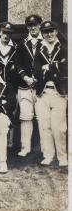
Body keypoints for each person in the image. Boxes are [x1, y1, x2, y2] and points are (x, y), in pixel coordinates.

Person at [33, 21, 68, 167]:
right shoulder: (39, 49)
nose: (49, 34)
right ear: (43, 34)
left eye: (51, 31)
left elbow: (66, 68)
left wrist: (49, 67)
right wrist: (55, 68)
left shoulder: (64, 47)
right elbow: (35, 69)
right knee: (44, 126)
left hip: (58, 93)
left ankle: (62, 157)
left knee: (58, 127)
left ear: (56, 32)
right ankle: (48, 155)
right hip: (42, 93)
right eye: (46, 32)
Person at [14, 15, 43, 156]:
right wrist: (26, 78)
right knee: (25, 116)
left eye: (35, 25)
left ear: (40, 25)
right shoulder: (21, 44)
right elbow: (17, 64)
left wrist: (39, 78)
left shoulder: (46, 42)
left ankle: (45, 149)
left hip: (41, 87)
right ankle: (25, 148)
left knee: (42, 117)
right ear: (27, 27)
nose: (32, 28)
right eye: (30, 25)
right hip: (24, 86)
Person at [0, 22, 18, 148]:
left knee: (11, 112)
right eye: (3, 32)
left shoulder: (17, 48)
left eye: (8, 33)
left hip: (12, 86)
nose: (6, 35)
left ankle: (10, 144)